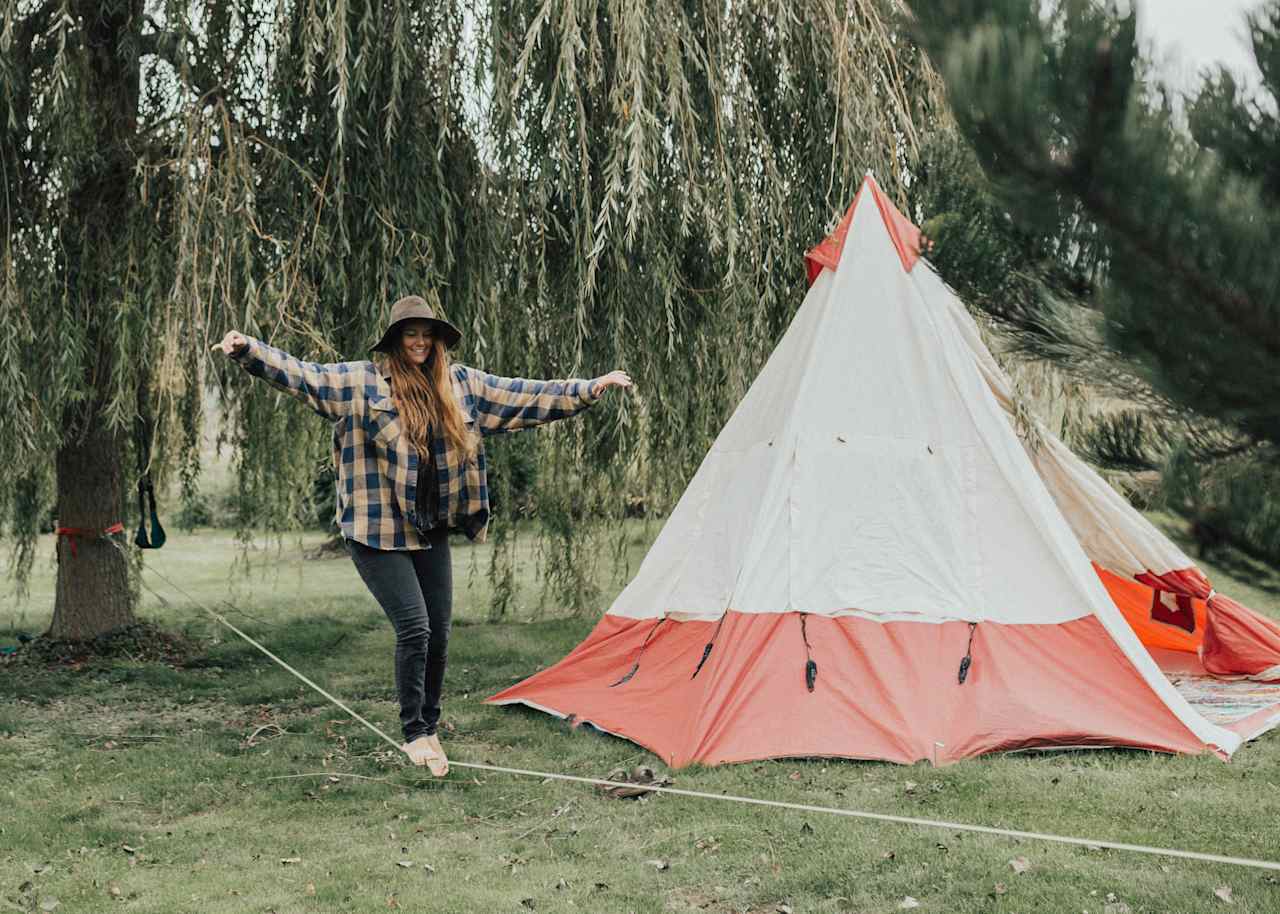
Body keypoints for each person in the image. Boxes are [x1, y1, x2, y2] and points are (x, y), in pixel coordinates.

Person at [216, 295, 632, 776]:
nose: (418, 341)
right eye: (409, 333)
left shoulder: (461, 385)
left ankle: (430, 726)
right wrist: (249, 350)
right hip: (376, 530)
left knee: (439, 633)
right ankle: (414, 732)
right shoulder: (362, 382)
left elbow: (525, 396)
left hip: (429, 525)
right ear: (395, 340)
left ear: (437, 340)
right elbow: (303, 375)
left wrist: (588, 388)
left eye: (426, 333)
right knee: (414, 628)